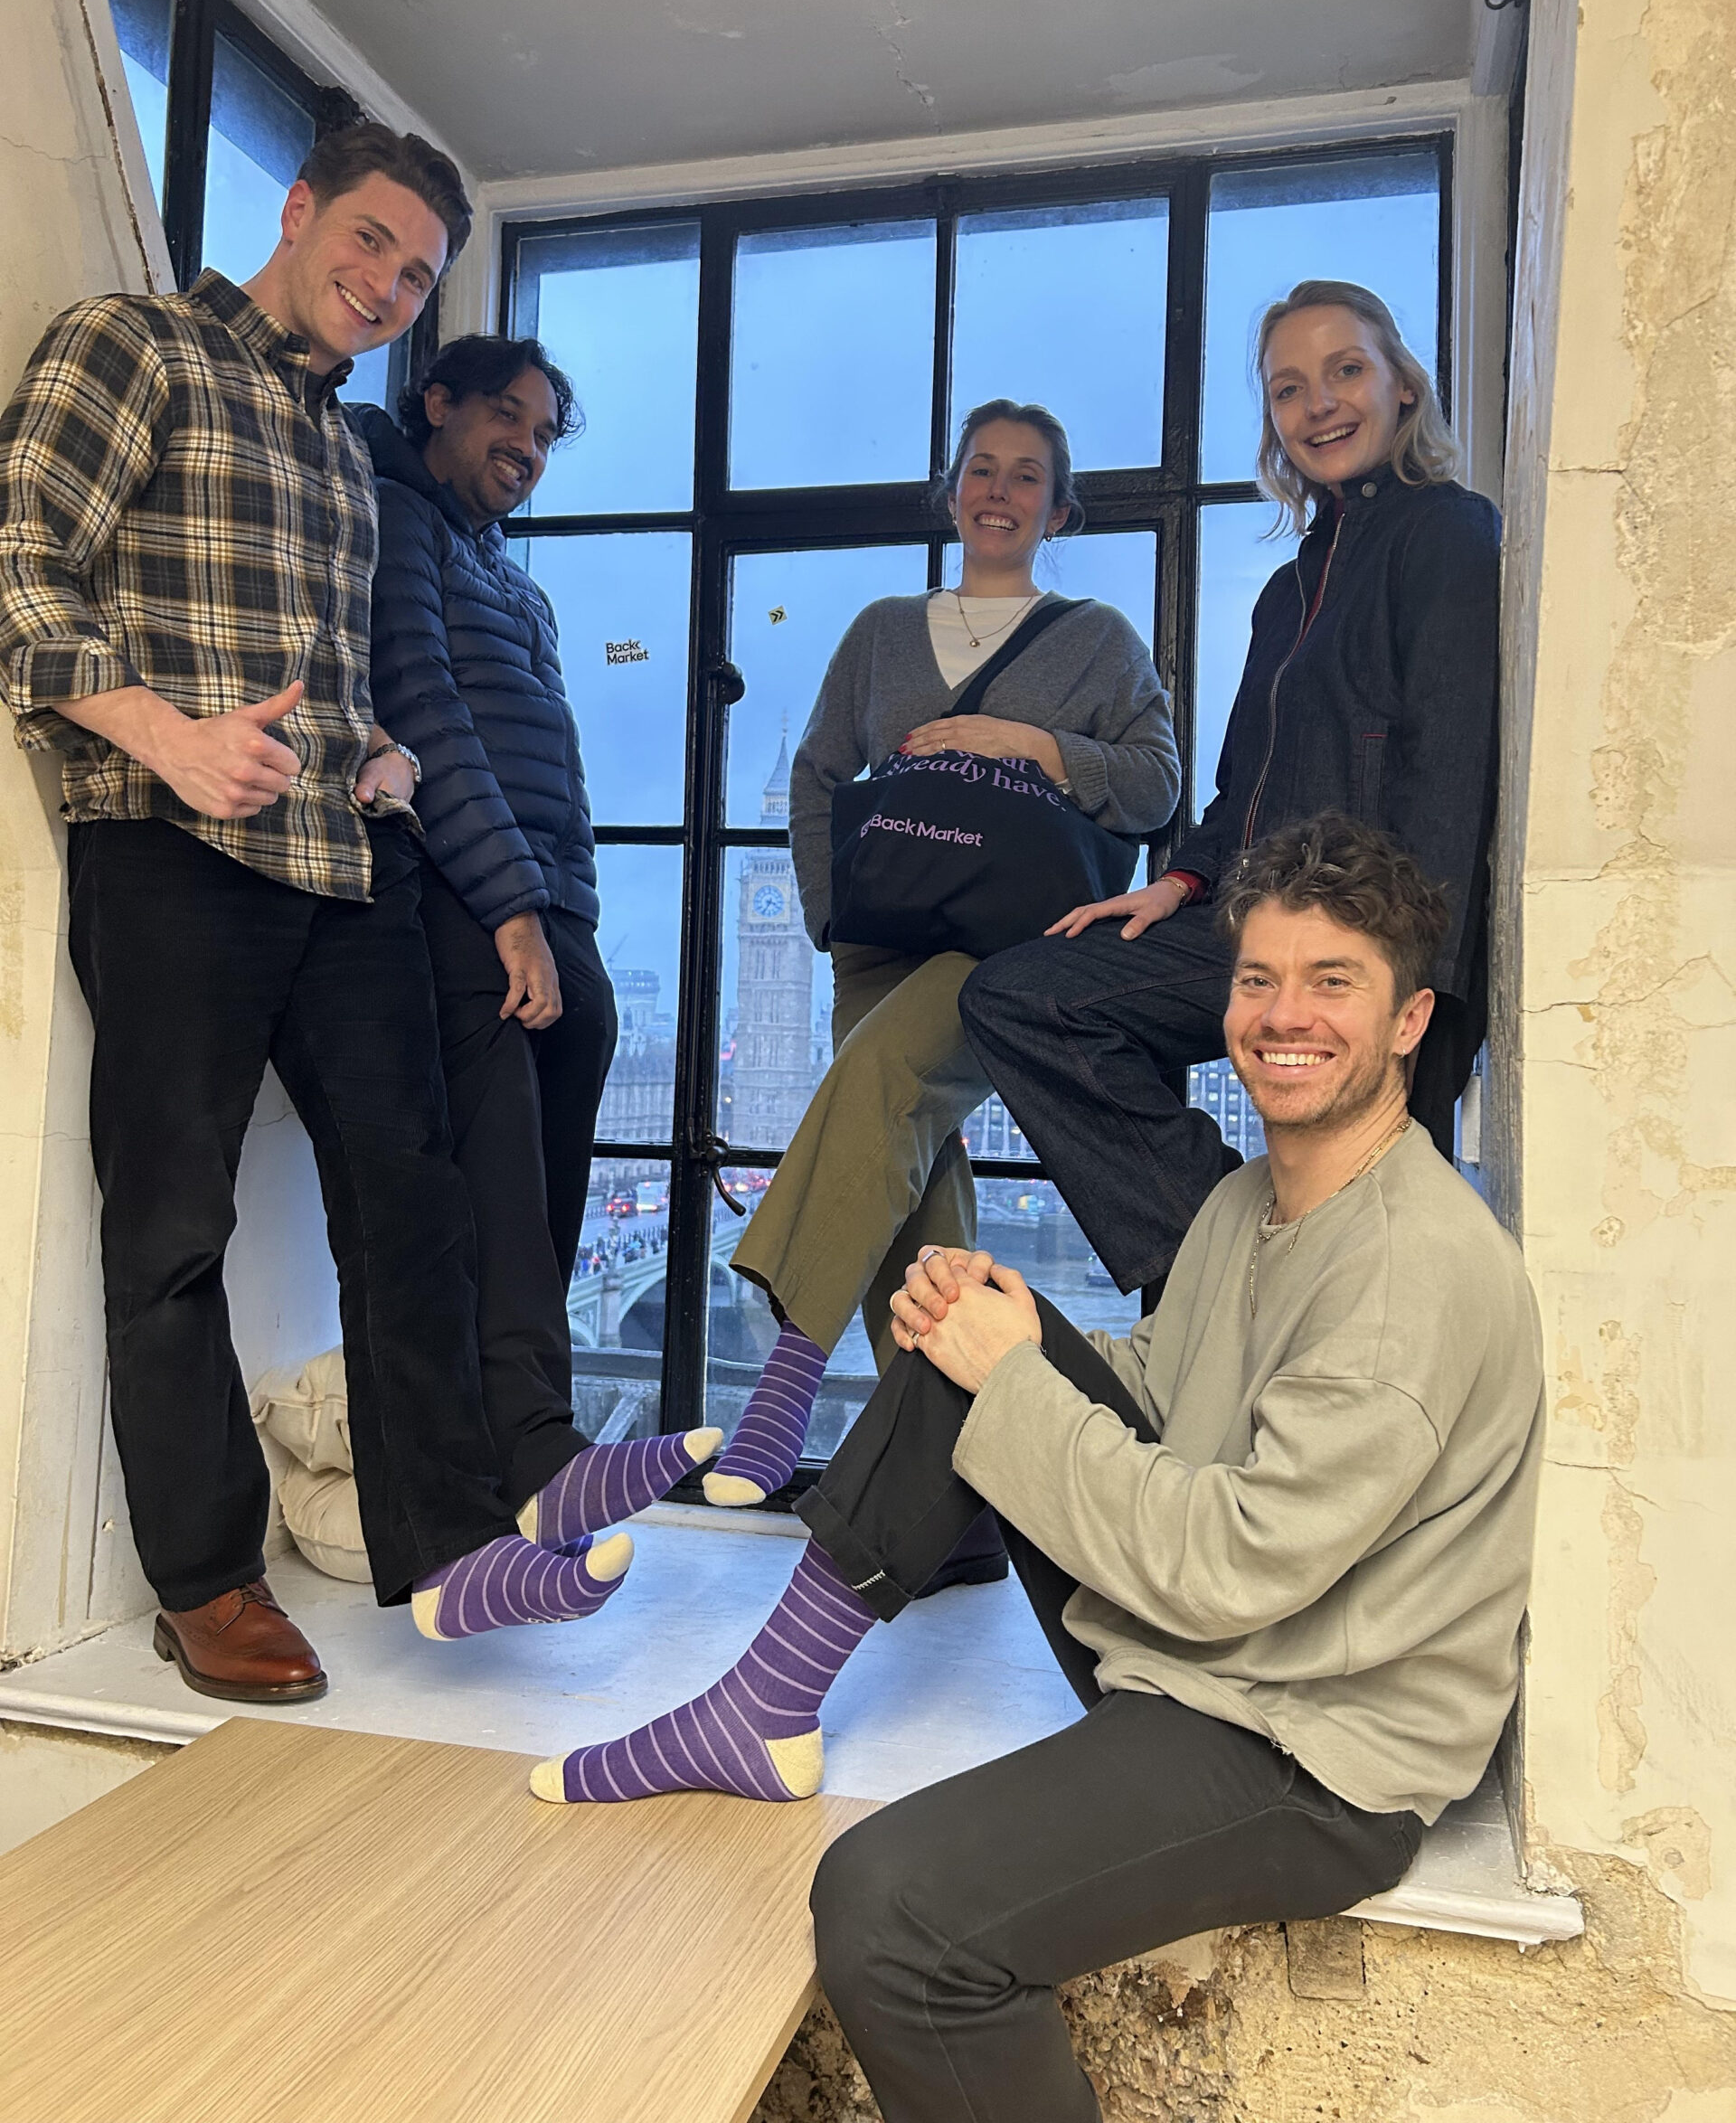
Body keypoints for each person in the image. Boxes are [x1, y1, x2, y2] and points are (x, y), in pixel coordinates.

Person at [530, 816, 1543, 2123]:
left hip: (1314, 1751)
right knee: (966, 1332)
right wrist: (999, 1318)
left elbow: (1231, 1562)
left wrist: (1009, 1374)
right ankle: (766, 1701)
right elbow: (1165, 1390)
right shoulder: (1252, 1203)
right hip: (1218, 1657)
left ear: (1409, 1021)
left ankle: (762, 1706)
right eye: (1258, 979)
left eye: (1332, 983)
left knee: (888, 1916)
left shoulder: (1411, 1279)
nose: (1284, 1016)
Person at [0, 126, 678, 1705]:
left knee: (415, 1204)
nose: (383, 284)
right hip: (169, 850)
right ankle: (204, 1580)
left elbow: (347, 673)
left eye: (417, 274)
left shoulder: (343, 449)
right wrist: (167, 733)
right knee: (171, 1227)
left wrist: (371, 753)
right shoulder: (133, 345)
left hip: (339, 866)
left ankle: (447, 1545)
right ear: (298, 213)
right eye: (366, 243)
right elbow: (24, 571)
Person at [959, 281, 1500, 1307]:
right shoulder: (1285, 592)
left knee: (1377, 1270)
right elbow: (1239, 785)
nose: (1320, 404)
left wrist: (1410, 984)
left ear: (1401, 386)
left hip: (1372, 950)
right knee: (1023, 997)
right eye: (1288, 388)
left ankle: (1254, 1296)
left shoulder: (1448, 535)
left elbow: (1449, 778)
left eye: (1345, 370)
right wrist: (1179, 882)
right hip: (1245, 927)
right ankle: (1227, 1250)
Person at [700, 399, 1181, 1534]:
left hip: (1014, 943)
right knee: (919, 1214)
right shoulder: (878, 630)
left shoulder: (1098, 639)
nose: (1000, 491)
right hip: (880, 945)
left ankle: (789, 1374)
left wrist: (1022, 743)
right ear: (952, 491)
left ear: (1058, 508)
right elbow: (820, 771)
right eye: (982, 470)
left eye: (1026, 476)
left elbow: (1156, 784)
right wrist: (828, 915)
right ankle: (950, 1514)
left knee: (875, 1090)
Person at [356, 334, 718, 1542]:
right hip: (465, 892)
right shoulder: (402, 519)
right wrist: (509, 904)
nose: (526, 446)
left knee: (547, 1179)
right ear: (437, 405)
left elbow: (546, 744)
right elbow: (422, 703)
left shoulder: (513, 577)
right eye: (505, 416)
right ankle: (534, 1445)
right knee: (499, 1169)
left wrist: (568, 904)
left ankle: (519, 1426)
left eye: (546, 432)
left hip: (552, 897)